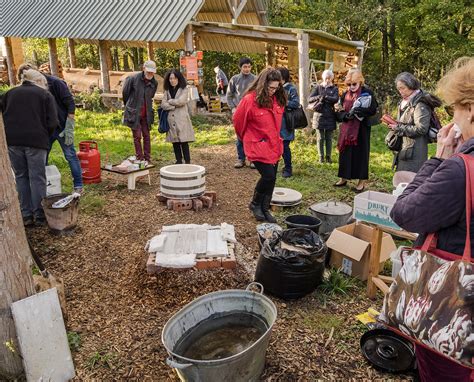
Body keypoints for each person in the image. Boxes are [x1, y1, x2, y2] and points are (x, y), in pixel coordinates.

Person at [390, 57, 474, 382]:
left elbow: (404, 213)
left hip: (455, 314)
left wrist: (440, 156)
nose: (452, 115)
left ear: (470, 109)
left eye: (454, 107)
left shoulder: (460, 171)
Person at [2, 69, 58, 226]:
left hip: (13, 141)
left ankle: (26, 214)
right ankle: (39, 214)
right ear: (39, 82)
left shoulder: (9, 94)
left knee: (21, 176)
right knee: (37, 177)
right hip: (36, 141)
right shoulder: (44, 95)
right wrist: (45, 135)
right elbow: (53, 122)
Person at [18, 63, 83, 193]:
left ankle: (78, 185)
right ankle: (46, 186)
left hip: (61, 127)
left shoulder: (56, 83)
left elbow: (70, 104)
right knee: (42, 157)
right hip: (44, 129)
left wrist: (69, 125)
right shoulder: (30, 89)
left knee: (70, 154)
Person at [233, 68, 287, 223]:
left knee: (272, 178)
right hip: (257, 145)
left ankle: (265, 207)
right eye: (270, 87)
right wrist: (246, 138)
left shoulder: (278, 98)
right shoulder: (250, 100)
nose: (273, 91)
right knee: (268, 175)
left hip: (274, 145)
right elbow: (238, 121)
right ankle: (255, 203)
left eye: (276, 87)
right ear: (263, 85)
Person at [334, 68, 378, 192]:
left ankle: (361, 182)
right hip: (347, 130)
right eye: (349, 84)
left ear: (360, 82)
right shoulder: (344, 94)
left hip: (361, 130)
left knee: (361, 155)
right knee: (345, 155)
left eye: (354, 84)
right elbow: (338, 111)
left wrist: (360, 111)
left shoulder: (367, 93)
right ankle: (344, 178)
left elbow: (373, 110)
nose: (352, 87)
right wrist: (345, 116)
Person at [386, 72, 439, 172]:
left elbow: (421, 128)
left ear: (411, 86)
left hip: (414, 153)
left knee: (409, 182)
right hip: (405, 149)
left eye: (402, 88)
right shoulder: (405, 101)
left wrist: (398, 128)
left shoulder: (420, 104)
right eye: (398, 89)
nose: (400, 91)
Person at [122, 60, 158, 162]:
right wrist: (130, 106)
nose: (150, 74)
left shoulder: (154, 83)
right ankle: (140, 158)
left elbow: (151, 96)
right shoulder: (132, 79)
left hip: (147, 114)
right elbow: (125, 94)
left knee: (147, 136)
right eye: (148, 71)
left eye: (152, 72)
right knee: (137, 136)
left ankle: (147, 159)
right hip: (134, 113)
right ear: (143, 69)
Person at [160, 69, 195, 164]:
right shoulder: (167, 90)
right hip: (171, 119)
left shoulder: (184, 89)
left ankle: (187, 162)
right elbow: (163, 104)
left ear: (178, 79)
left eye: (174, 78)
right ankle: (178, 160)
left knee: (184, 141)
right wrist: (173, 104)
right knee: (175, 141)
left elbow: (181, 101)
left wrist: (170, 101)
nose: (172, 80)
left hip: (182, 119)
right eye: (170, 78)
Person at [227, 57, 256, 168]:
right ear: (240, 67)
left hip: (252, 111)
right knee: (240, 136)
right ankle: (241, 159)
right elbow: (229, 95)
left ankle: (252, 159)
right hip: (239, 111)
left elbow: (259, 94)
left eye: (249, 67)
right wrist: (233, 108)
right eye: (245, 67)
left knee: (253, 135)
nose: (247, 69)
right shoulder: (234, 79)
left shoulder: (255, 79)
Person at [308, 69, 339, 163]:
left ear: (332, 78)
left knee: (329, 138)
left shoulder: (334, 88)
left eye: (329, 78)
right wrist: (319, 97)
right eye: (326, 78)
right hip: (319, 116)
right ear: (323, 78)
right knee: (320, 138)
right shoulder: (318, 87)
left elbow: (335, 99)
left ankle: (328, 157)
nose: (328, 80)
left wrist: (325, 97)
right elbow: (310, 99)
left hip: (330, 115)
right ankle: (321, 157)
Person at [277, 67, 300, 178]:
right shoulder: (274, 87)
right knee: (275, 146)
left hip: (286, 123)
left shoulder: (291, 88)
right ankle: (273, 166)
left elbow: (296, 103)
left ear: (284, 78)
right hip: (275, 122)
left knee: (285, 147)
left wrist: (283, 102)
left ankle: (288, 168)